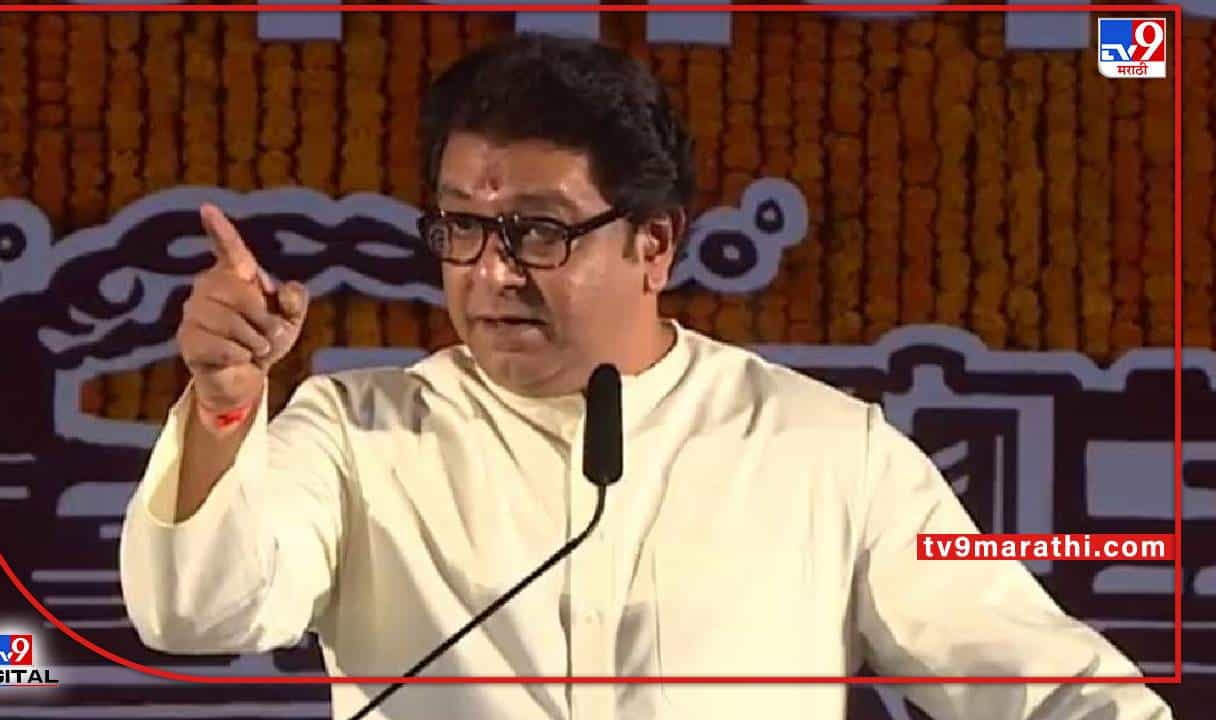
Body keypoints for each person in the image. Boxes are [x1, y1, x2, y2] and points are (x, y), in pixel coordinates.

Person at [118, 32, 1174, 720]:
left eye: (537, 231)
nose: (490, 271)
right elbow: (197, 615)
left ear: (654, 244)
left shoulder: (820, 450)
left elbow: (1045, 684)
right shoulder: (358, 433)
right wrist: (224, 401)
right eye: (462, 226)